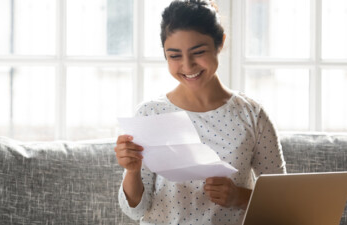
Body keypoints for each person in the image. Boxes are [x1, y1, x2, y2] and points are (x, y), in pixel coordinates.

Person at [114, 0, 286, 224]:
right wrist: (133, 171)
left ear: (220, 43)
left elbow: (283, 203)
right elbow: (136, 211)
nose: (187, 66)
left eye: (198, 52)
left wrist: (240, 197)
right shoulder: (150, 114)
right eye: (175, 55)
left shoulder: (252, 115)